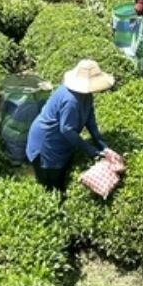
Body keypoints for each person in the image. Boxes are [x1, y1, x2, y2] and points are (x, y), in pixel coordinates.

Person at [26, 59, 115, 191]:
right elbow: (67, 130)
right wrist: (91, 150)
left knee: (61, 176)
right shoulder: (71, 101)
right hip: (46, 143)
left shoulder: (87, 95)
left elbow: (90, 117)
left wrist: (100, 141)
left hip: (60, 141)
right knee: (50, 183)